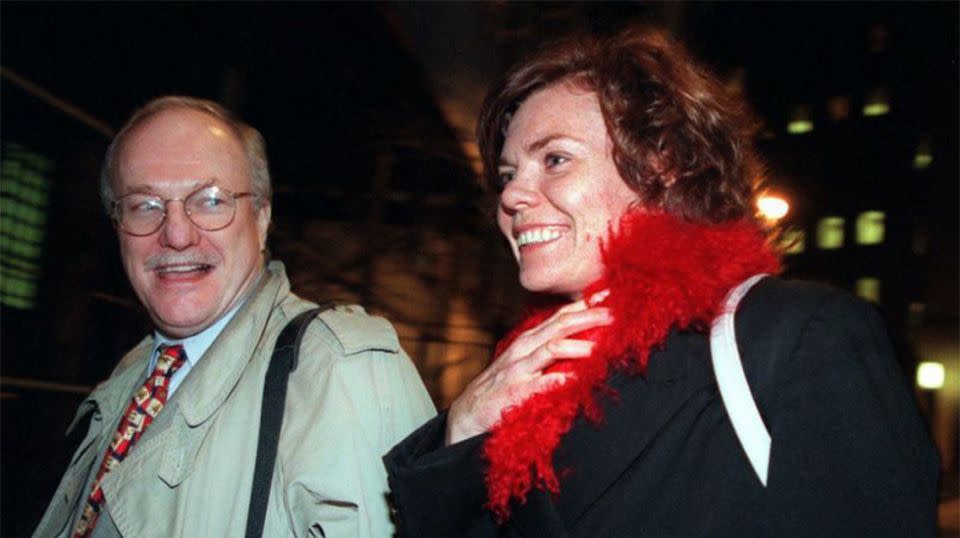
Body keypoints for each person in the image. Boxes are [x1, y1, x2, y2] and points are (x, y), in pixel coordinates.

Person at [384, 28, 939, 536]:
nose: (510, 196)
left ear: (663, 166)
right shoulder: (523, 378)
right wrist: (463, 436)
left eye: (554, 159)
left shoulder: (794, 336)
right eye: (507, 175)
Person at [34, 96, 436, 537]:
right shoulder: (135, 374)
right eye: (145, 205)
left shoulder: (338, 369)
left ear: (261, 219)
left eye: (209, 200)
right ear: (117, 227)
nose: (176, 234)